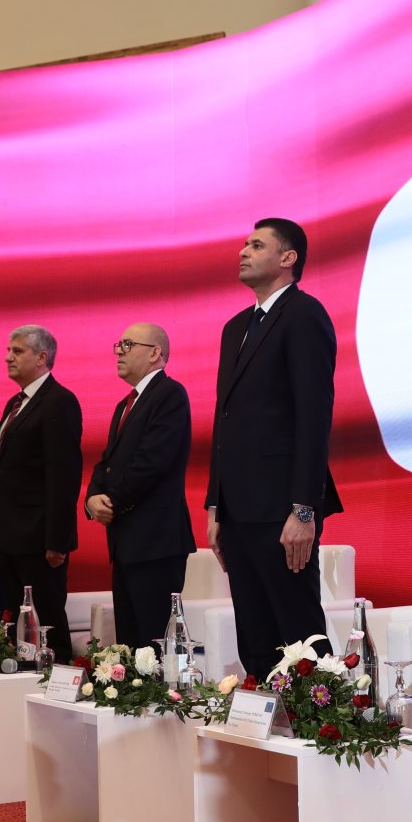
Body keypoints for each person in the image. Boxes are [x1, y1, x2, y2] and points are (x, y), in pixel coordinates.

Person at [205, 218, 342, 679]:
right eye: (244, 244)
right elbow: (224, 422)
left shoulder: (304, 314)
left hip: (282, 505)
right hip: (237, 507)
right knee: (255, 631)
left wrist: (304, 508)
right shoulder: (235, 327)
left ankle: (324, 716)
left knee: (298, 630)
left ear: (288, 258)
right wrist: (215, 505)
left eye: (257, 245)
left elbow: (314, 416)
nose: (243, 251)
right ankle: (268, 714)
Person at [85, 323, 196, 651]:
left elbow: (152, 463)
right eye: (118, 345)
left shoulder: (170, 394)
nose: (119, 352)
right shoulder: (125, 404)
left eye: (128, 345)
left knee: (154, 645)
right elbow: (107, 462)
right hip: (126, 541)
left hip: (157, 541)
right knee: (130, 646)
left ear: (154, 353)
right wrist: (92, 498)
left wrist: (112, 503)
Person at [0, 325, 82, 660]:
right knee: (17, 625)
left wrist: (57, 540)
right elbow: (4, 474)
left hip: (41, 539)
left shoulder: (59, 401)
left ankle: (58, 680)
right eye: (8, 351)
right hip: (10, 537)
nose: (8, 357)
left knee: (47, 622)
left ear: (42, 357)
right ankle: (20, 682)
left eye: (17, 351)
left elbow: (64, 475)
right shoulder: (15, 404)